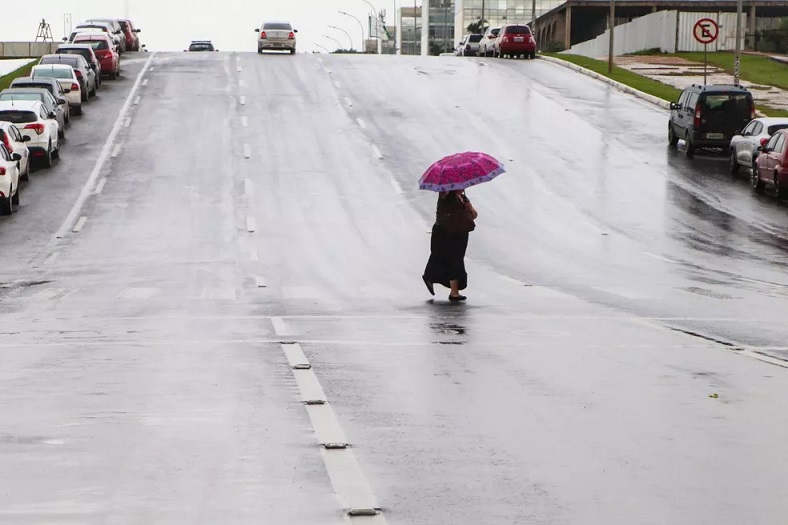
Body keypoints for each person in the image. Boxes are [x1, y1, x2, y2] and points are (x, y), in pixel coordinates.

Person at [422, 190, 478, 301]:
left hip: (460, 234)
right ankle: (433, 279)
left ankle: (452, 291)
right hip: (444, 232)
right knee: (443, 258)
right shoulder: (445, 195)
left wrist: (469, 207)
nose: (463, 186)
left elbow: (474, 215)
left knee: (456, 260)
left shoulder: (463, 198)